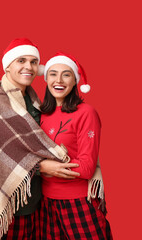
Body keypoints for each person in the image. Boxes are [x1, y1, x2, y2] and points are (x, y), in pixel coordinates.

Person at [0, 38, 77, 240]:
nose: (28, 67)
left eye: (33, 62)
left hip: (36, 200)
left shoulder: (36, 101)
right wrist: (41, 167)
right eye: (21, 60)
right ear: (8, 66)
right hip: (7, 202)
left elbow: (40, 142)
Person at [38, 52, 112, 239]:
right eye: (53, 73)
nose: (59, 80)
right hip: (45, 204)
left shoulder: (86, 113)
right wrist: (42, 167)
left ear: (75, 81)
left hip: (78, 202)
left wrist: (48, 168)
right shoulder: (40, 114)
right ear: (46, 78)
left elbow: (87, 168)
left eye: (67, 74)